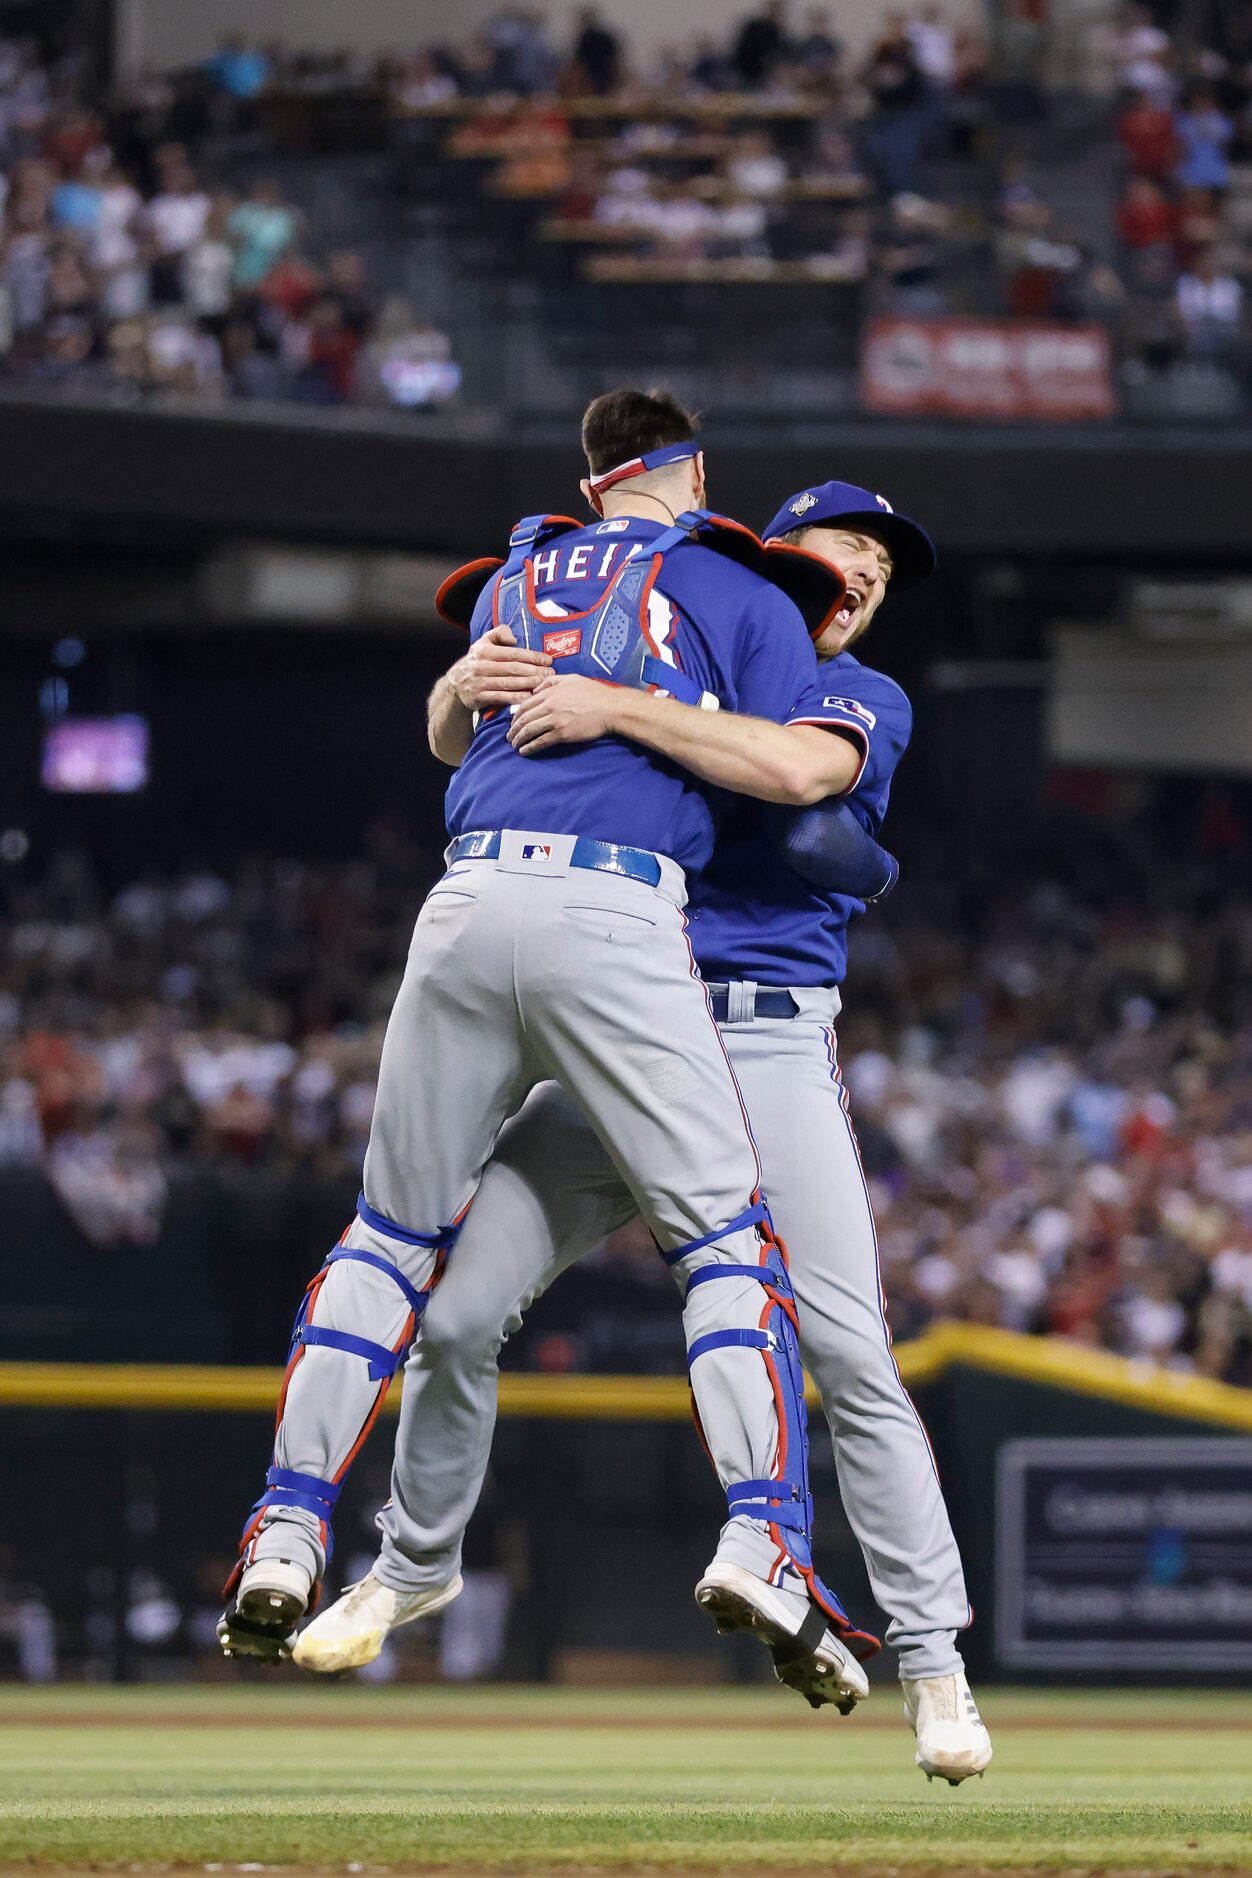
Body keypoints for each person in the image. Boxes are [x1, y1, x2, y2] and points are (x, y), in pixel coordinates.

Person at [296, 479, 993, 1787]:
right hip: (619, 1027)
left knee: (847, 1348)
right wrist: (472, 690)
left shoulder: (862, 697)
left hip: (763, 1035)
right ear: (767, 562)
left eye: (882, 575)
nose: (862, 579)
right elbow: (476, 734)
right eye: (844, 552)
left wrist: (624, 710)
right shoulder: (661, 636)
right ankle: (408, 1569)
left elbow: (798, 773)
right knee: (450, 1308)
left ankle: (934, 1659)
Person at [217, 389, 874, 1720]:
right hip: (614, 912)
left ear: (589, 488)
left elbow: (452, 732)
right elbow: (803, 775)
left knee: (387, 1239)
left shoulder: (511, 583)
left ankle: (284, 1528)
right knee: (725, 1246)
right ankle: (762, 1534)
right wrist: (635, 707)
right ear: (690, 474)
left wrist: (465, 684)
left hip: (460, 911)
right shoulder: (732, 586)